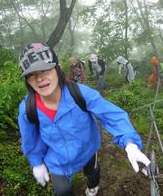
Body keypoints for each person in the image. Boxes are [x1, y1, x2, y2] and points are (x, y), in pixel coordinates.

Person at [17, 43, 150, 196]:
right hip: (57, 159)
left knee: (92, 173)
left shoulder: (79, 93)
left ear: (57, 68)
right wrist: (36, 162)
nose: (39, 78)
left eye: (45, 69)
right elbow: (30, 139)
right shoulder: (28, 108)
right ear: (27, 79)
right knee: (62, 191)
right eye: (31, 74)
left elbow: (111, 114)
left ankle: (92, 188)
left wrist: (130, 143)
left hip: (87, 149)